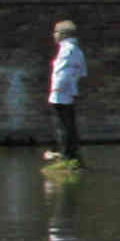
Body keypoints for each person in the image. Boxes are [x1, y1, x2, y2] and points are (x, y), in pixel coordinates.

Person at [44, 19, 87, 166]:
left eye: (55, 32)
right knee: (69, 125)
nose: (54, 35)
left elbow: (61, 72)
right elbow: (82, 72)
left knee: (61, 126)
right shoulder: (77, 50)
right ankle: (71, 153)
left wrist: (56, 90)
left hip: (60, 93)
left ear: (62, 34)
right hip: (70, 92)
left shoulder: (65, 49)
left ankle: (66, 155)